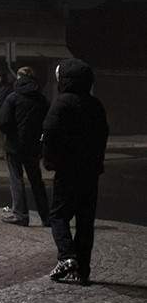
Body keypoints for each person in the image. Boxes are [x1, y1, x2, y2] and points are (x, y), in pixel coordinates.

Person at [42, 59, 108, 286]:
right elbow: (103, 136)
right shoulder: (95, 105)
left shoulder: (61, 104)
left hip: (68, 170)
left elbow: (49, 134)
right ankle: (84, 269)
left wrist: (50, 161)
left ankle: (67, 257)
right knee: (85, 221)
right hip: (90, 172)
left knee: (59, 215)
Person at [0, 66, 51, 227]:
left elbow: (4, 122)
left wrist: (11, 134)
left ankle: (21, 215)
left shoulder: (12, 98)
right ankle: (46, 216)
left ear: (19, 77)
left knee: (16, 179)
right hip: (34, 146)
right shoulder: (42, 99)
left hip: (14, 146)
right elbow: (47, 123)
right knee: (36, 181)